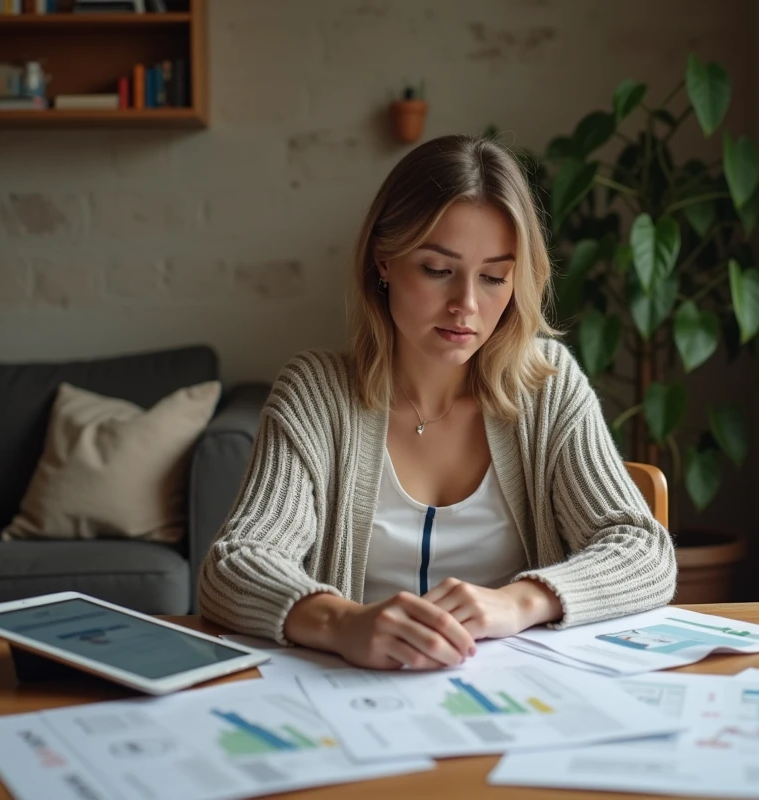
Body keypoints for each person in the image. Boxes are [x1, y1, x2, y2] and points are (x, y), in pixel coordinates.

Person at [198, 134, 676, 670]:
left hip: (518, 701)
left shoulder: (547, 386)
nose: (466, 305)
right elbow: (233, 566)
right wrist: (341, 621)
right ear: (384, 261)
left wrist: (518, 601)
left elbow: (644, 552)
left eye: (495, 277)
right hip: (354, 698)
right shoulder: (317, 393)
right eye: (437, 270)